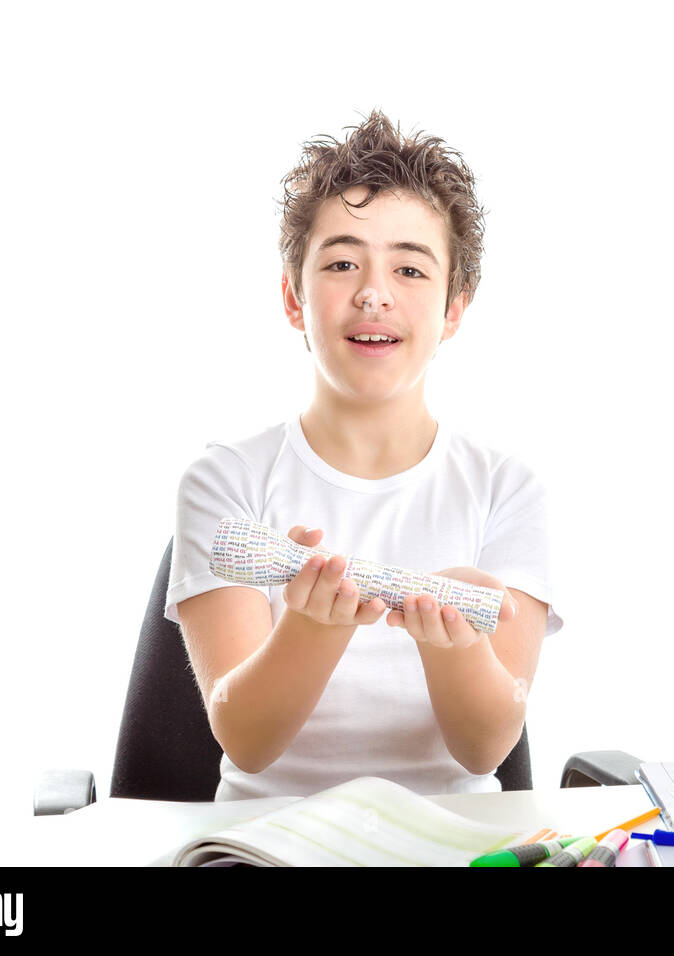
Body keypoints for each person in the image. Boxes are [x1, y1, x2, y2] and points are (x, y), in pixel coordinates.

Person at [163, 109, 562, 801]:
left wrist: (459, 649)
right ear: (293, 298)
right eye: (343, 263)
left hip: (453, 842)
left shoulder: (506, 489)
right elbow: (248, 743)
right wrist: (313, 630)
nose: (373, 292)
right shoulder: (223, 481)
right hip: (266, 842)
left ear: (454, 310)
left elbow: (484, 749)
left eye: (410, 268)